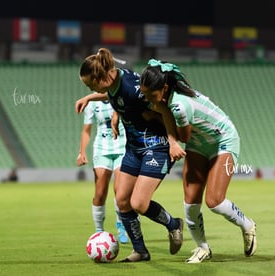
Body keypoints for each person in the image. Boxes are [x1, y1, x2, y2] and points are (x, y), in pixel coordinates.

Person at [139, 59, 257, 264]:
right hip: (198, 144)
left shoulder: (179, 106)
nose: (148, 99)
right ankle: (202, 248)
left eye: (151, 95)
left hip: (223, 140)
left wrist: (157, 114)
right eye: (145, 94)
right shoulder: (166, 99)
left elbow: (183, 138)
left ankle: (248, 225)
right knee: (190, 201)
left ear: (164, 88)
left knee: (215, 201)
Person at [74, 48, 186, 262]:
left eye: (91, 84)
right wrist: (90, 97)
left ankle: (174, 225)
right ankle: (140, 251)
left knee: (139, 203)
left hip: (156, 146)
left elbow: (164, 110)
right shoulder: (115, 82)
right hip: (134, 149)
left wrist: (173, 142)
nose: (91, 87)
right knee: (122, 200)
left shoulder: (132, 88)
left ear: (102, 77)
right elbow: (112, 94)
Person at [77, 99, 129, 244]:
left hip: (122, 146)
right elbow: (86, 130)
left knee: (120, 193)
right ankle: (99, 230)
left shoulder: (118, 95)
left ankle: (121, 226)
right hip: (101, 149)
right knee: (100, 193)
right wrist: (82, 152)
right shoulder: (92, 103)